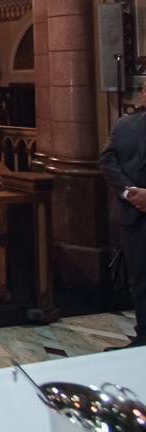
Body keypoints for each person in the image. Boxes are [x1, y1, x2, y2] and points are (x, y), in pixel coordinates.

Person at [101, 87, 146, 349]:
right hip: (133, 216)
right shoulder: (124, 125)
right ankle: (143, 338)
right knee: (140, 281)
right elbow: (108, 161)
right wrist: (130, 193)